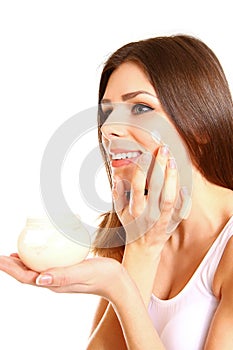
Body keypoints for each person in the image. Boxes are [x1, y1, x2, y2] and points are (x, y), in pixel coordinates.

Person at [0, 34, 233, 350]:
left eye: (140, 107)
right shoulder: (134, 230)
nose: (108, 129)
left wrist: (120, 286)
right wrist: (140, 251)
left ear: (201, 126)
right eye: (107, 113)